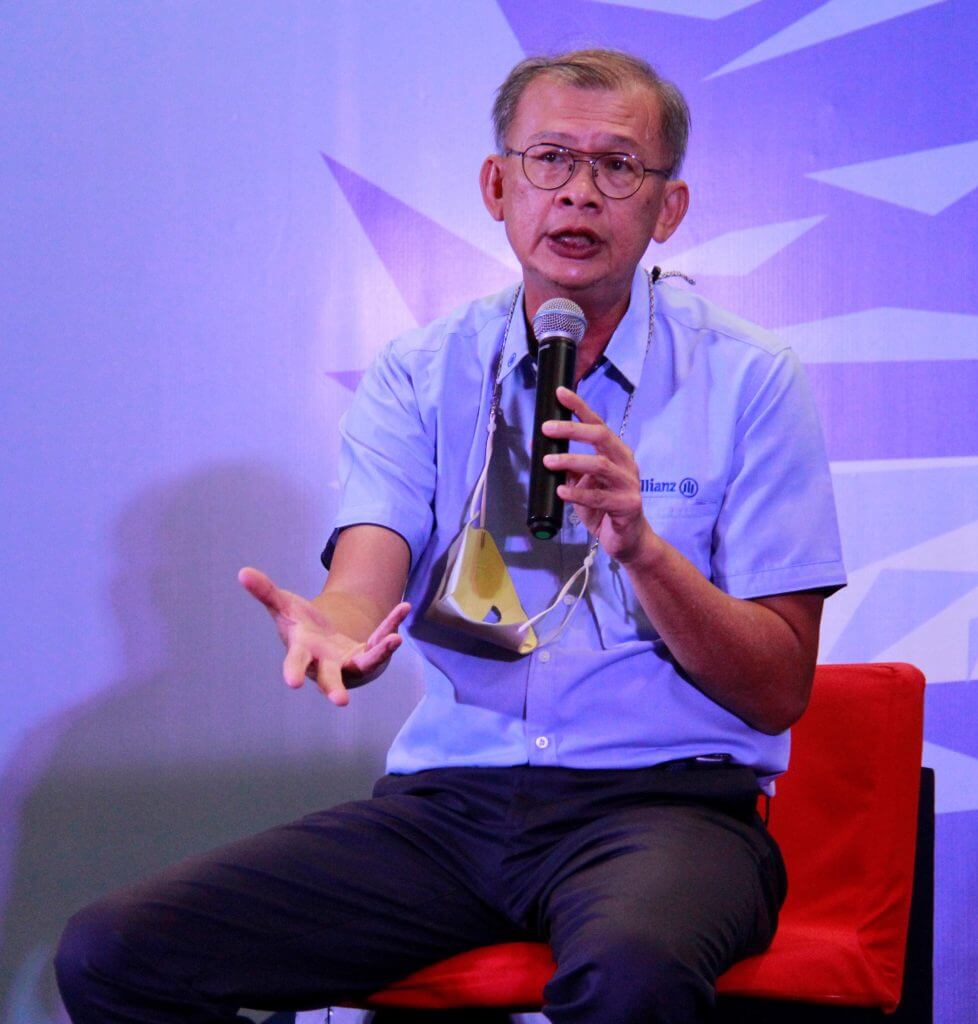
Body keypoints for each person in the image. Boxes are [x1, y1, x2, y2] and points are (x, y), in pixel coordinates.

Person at [55, 49, 846, 1024]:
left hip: (667, 810)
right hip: (451, 810)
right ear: (497, 185)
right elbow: (365, 577)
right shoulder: (421, 372)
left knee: (629, 973)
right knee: (116, 953)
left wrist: (642, 547)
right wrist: (337, 627)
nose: (579, 193)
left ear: (668, 207)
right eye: (551, 159)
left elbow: (777, 686)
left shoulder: (751, 379)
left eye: (617, 167)